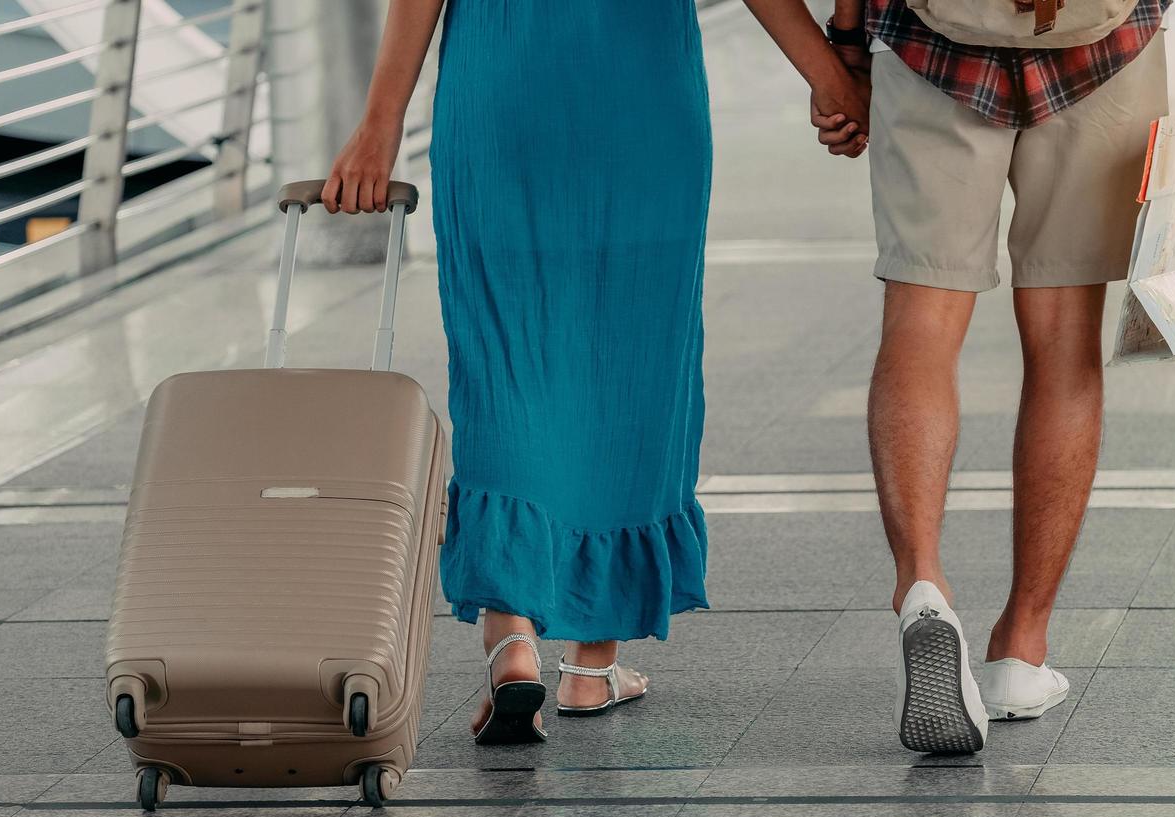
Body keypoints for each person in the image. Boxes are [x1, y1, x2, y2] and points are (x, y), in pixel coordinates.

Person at [322, 0, 868, 744]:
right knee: (633, 363)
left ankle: (512, 640)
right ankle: (591, 665)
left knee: (506, 362)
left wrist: (380, 124)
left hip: (502, 89)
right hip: (639, 92)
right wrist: (833, 80)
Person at [809, 0, 1175, 752]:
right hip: (1102, 48)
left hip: (933, 48)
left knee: (920, 326)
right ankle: (1022, 646)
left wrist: (847, 49)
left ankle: (922, 585)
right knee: (1064, 344)